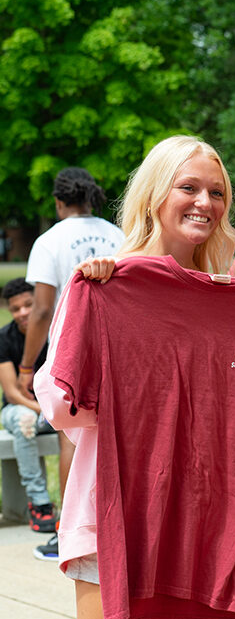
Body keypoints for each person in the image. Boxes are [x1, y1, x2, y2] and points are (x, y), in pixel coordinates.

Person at [34, 135, 235, 619]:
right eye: (189, 187)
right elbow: (60, 407)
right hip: (118, 521)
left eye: (217, 192)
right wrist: (95, 319)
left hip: (217, 536)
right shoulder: (105, 287)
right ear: (154, 194)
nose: (205, 203)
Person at [16, 167, 125, 561]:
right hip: (118, 348)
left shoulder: (49, 241)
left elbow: (42, 309)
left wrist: (28, 366)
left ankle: (67, 530)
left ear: (59, 202)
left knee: (70, 437)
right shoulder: (118, 235)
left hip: (72, 349)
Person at [0, 278, 56, 537]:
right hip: (21, 409)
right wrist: (41, 410)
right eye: (15, 309)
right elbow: (12, 393)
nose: (22, 313)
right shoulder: (4, 338)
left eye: (28, 305)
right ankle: (39, 502)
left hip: (56, 410)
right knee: (23, 420)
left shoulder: (55, 331)